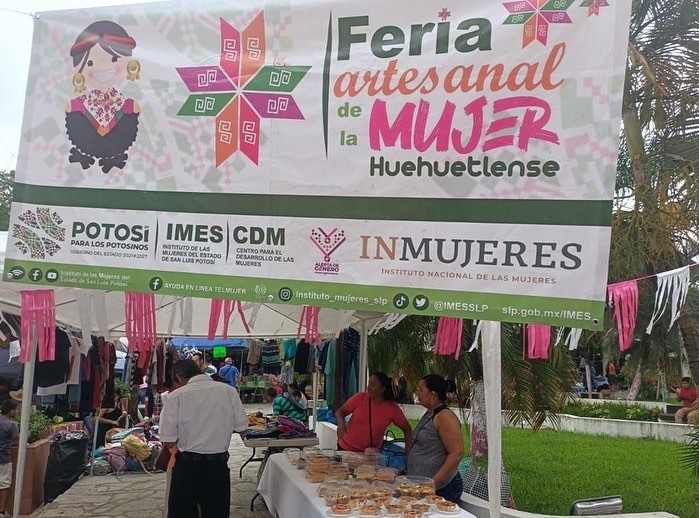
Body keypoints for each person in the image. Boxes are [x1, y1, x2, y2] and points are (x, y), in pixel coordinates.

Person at [159, 359, 248, 518]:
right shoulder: (229, 391)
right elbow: (242, 428)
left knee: (183, 513)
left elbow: (169, 441)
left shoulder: (175, 397)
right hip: (217, 466)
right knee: (217, 513)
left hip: (187, 466)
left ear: (178, 376)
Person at [65, 21, 141, 174]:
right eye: (90, 62)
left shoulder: (128, 105)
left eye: (114, 59)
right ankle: (83, 155)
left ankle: (114, 157)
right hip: (82, 151)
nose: (103, 67)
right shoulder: (78, 105)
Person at [407, 374, 464, 503]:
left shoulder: (445, 417)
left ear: (432, 394)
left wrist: (433, 483)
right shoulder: (431, 413)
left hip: (441, 488)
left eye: (420, 389)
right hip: (422, 487)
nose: (417, 393)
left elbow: (457, 453)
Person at [335, 372, 413, 452]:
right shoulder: (360, 397)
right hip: (345, 448)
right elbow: (340, 412)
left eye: (373, 385)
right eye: (369, 384)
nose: (369, 387)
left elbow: (407, 429)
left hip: (369, 454)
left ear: (383, 389)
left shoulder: (392, 409)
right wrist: (341, 424)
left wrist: (408, 451)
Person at [0, 400, 18, 518]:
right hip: (3, 458)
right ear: (11, 411)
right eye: (15, 410)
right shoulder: (12, 425)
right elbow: (17, 439)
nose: (16, 412)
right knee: (4, 485)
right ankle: (1, 512)